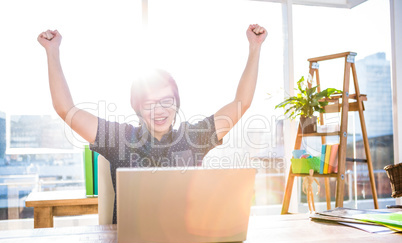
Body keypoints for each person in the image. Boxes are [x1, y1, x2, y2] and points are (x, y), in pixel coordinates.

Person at [37, 24, 267, 223]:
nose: (159, 110)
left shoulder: (194, 137)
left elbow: (241, 103)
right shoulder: (120, 139)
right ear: (138, 109)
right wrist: (52, 51)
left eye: (166, 101)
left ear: (176, 104)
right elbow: (66, 110)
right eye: (149, 103)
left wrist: (255, 48)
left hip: (185, 242)